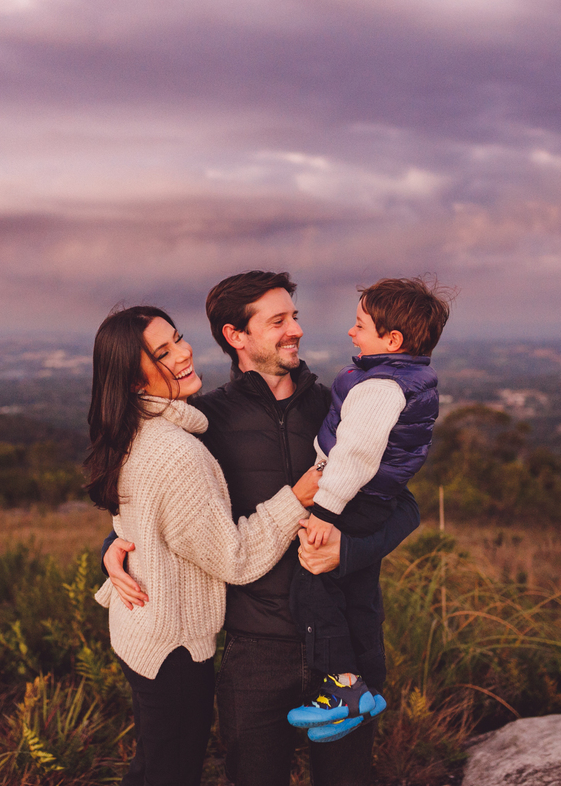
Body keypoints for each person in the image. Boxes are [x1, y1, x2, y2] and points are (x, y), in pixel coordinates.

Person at [103, 272, 422, 786]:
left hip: (346, 646)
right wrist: (111, 550)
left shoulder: (340, 411)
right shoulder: (204, 423)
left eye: (294, 316)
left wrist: (349, 549)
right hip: (254, 652)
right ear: (237, 336)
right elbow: (157, 507)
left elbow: (405, 506)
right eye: (278, 321)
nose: (295, 329)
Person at [86, 305, 322, 786]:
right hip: (172, 643)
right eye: (163, 352)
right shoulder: (176, 451)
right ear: (134, 380)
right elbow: (234, 559)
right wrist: (296, 498)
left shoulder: (137, 431)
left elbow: (140, 522)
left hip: (142, 630)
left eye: (177, 338)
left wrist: (113, 545)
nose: (183, 352)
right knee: (171, 771)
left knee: (154, 763)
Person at [286, 277, 449, 743]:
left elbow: (353, 456)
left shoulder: (379, 387)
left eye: (360, 325)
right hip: (377, 500)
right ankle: (369, 688)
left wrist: (324, 513)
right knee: (358, 595)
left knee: (311, 586)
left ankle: (342, 687)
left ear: (392, 340)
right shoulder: (406, 377)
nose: (352, 332)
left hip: (352, 499)